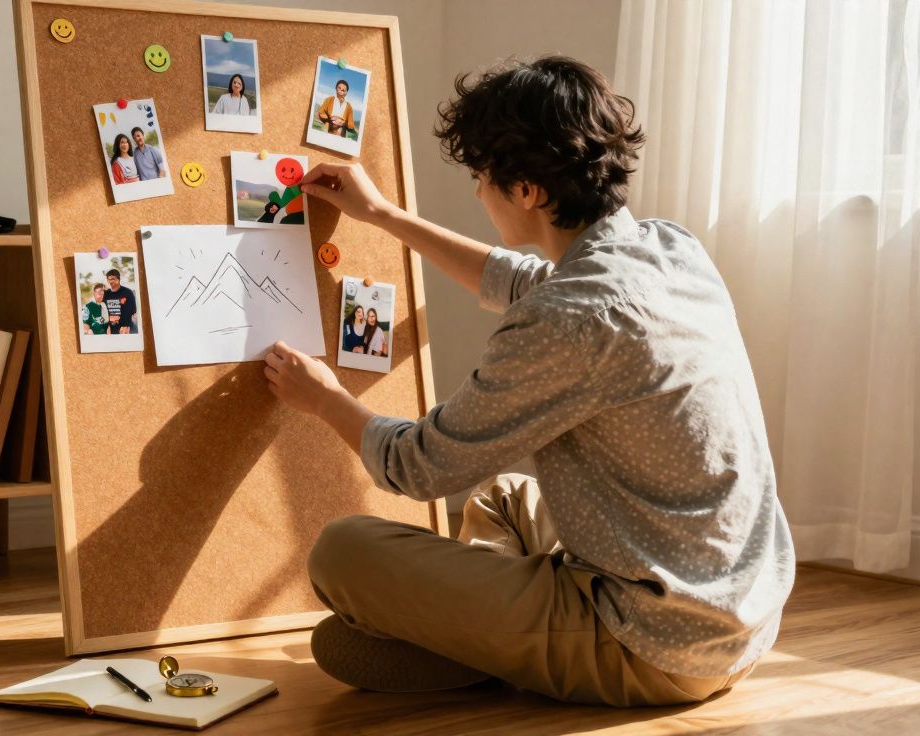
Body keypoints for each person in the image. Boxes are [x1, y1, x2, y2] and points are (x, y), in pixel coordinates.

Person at [263, 55, 794, 706]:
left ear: (527, 191)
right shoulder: (668, 248)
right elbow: (517, 280)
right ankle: (484, 636)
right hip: (737, 616)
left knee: (340, 551)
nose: (479, 194)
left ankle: (481, 643)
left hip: (653, 645)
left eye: (482, 178)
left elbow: (418, 466)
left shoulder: (567, 322)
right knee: (505, 494)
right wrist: (385, 217)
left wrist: (324, 399)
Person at [101, 268, 136, 335]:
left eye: (113, 279)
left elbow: (132, 312)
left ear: (118, 279)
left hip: (125, 328)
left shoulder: (128, 292)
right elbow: (101, 311)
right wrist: (108, 320)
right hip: (109, 328)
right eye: (109, 279)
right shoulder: (105, 294)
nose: (110, 281)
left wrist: (125, 325)